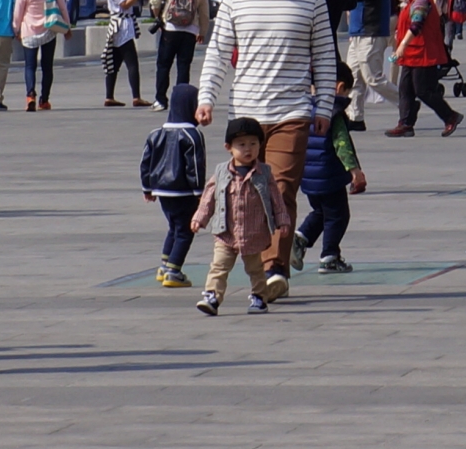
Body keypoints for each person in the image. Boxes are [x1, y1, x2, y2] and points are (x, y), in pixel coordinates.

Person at [194, 0, 334, 305]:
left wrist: (323, 105)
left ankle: (275, 271)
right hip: (247, 114)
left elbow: (324, 56)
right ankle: (263, 268)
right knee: (251, 194)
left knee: (281, 188)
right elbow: (218, 54)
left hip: (292, 111)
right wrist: (207, 99)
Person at [190, 117, 283, 314]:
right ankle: (212, 296)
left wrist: (282, 220)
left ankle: (259, 297)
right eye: (241, 145)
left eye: (253, 144)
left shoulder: (264, 172)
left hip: (253, 232)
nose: (248, 149)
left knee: (255, 269)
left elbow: (276, 198)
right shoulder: (221, 171)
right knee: (219, 266)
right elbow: (209, 197)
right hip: (226, 232)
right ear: (229, 147)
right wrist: (200, 217)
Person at [296, 63, 368, 274]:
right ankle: (329, 256)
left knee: (320, 211)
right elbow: (341, 143)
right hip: (329, 175)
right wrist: (354, 170)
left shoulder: (304, 108)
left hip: (308, 176)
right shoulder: (333, 111)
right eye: (346, 91)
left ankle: (300, 239)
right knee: (338, 215)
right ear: (339, 87)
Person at [383, 0, 463, 136]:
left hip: (422, 52)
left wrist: (402, 45)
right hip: (412, 53)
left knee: (424, 90)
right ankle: (406, 123)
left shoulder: (421, 1)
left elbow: (416, 25)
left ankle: (450, 116)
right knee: (405, 89)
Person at [139, 81, 207, 286]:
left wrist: (147, 187)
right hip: (183, 191)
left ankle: (164, 265)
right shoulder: (192, 135)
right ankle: (174, 270)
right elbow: (194, 165)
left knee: (173, 227)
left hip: (161, 190)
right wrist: (199, 191)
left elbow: (146, 162)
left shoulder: (156, 133)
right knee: (185, 230)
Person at [148, 0, 210, 101]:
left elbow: (155, 0)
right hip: (190, 31)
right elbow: (204, 13)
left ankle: (161, 99)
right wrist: (202, 32)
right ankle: (180, 100)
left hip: (170, 28)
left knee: (163, 65)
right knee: (183, 66)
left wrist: (159, 18)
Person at [346, 0, 396, 116]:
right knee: (354, 78)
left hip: (370, 34)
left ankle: (406, 103)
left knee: (373, 78)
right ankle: (355, 116)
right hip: (358, 34)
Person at [11, 0, 67, 113]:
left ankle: (30, 96)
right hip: (49, 30)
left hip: (29, 32)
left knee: (30, 67)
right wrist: (67, 27)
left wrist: (16, 29)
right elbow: (62, 8)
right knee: (47, 67)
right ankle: (44, 99)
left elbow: (18, 13)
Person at [99, 0, 146, 107]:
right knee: (132, 61)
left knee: (115, 62)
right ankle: (136, 96)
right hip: (121, 25)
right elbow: (125, 4)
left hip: (122, 24)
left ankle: (109, 96)